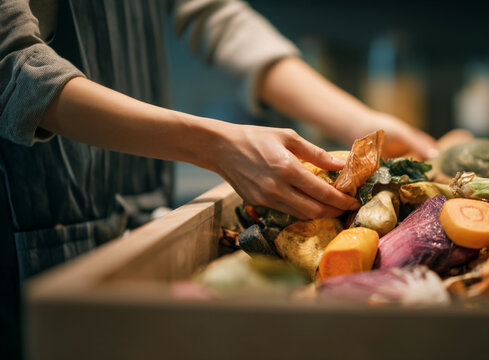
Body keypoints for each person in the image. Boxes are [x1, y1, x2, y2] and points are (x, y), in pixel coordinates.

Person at [0, 0, 437, 358]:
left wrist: (363, 123)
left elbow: (215, 15)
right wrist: (212, 145)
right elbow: (13, 63)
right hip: (29, 228)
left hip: (136, 207)